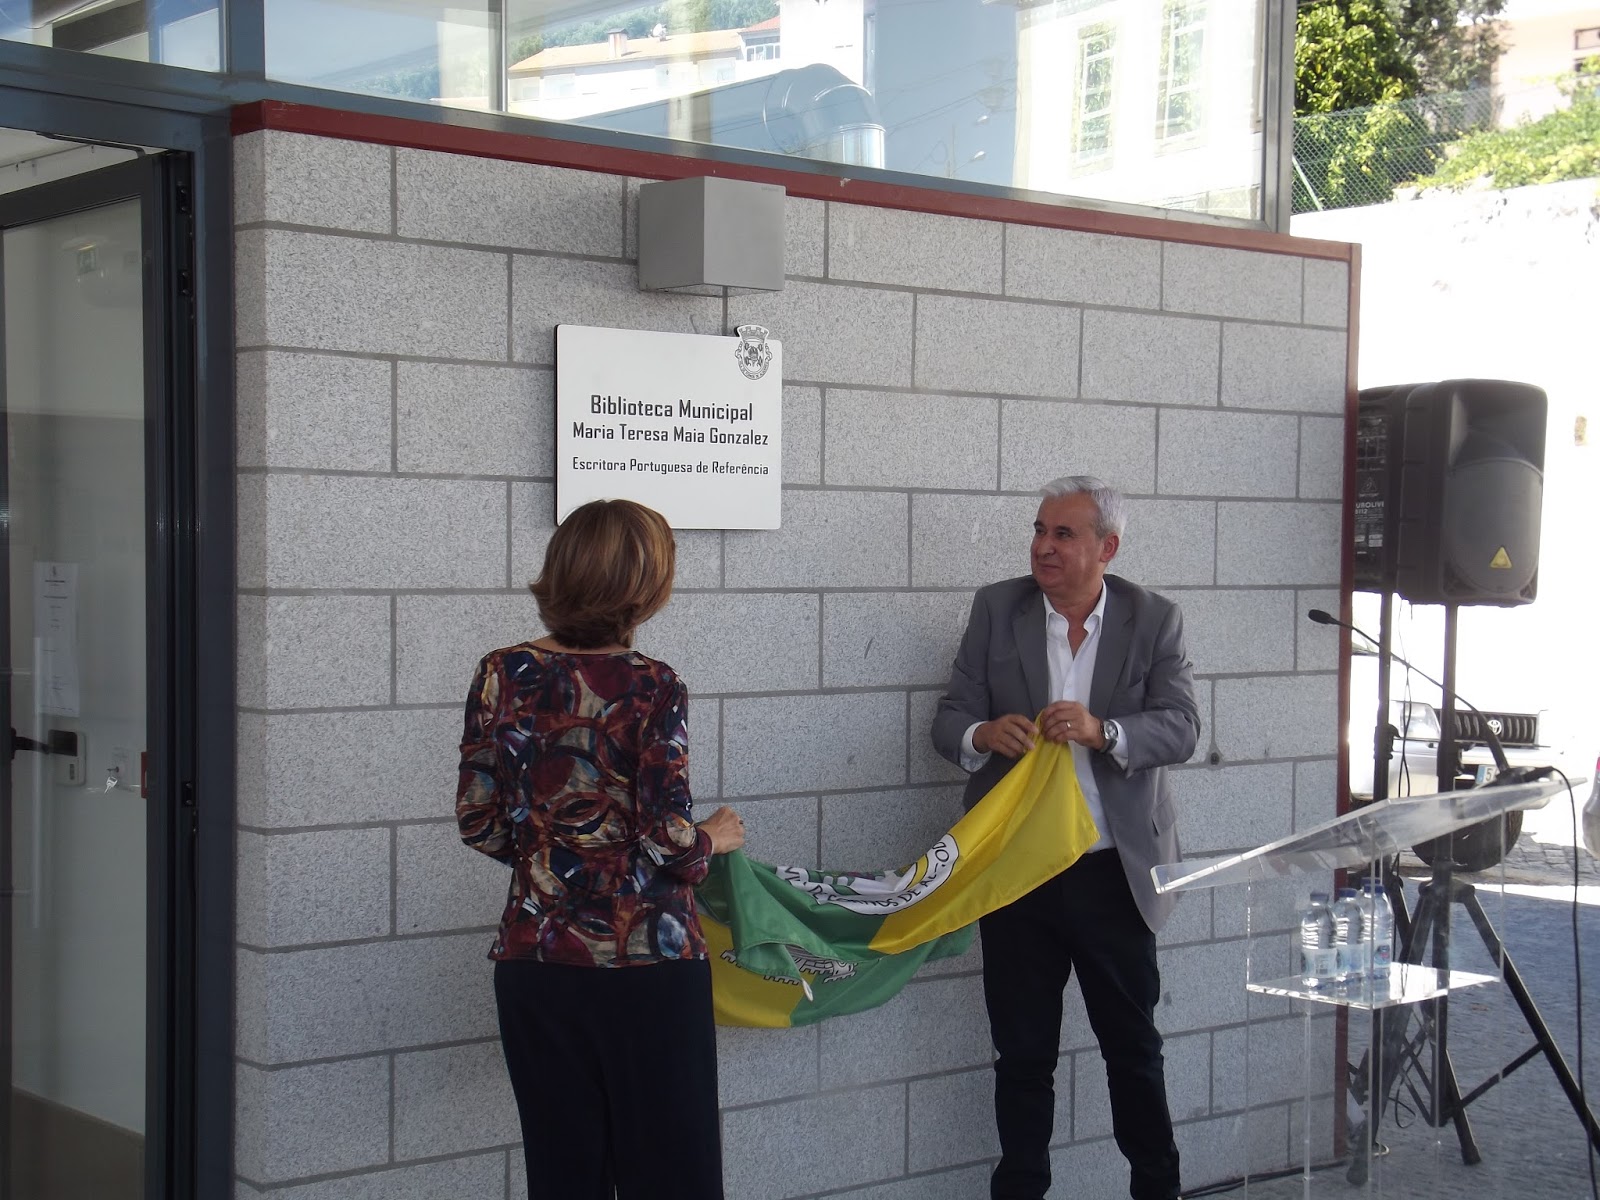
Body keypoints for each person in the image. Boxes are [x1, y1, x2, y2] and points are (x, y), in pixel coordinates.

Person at [456, 497, 745, 1200]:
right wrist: (714, 838)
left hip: (535, 959)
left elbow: (479, 822)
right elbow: (668, 842)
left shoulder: (500, 672)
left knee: (564, 1178)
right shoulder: (653, 685)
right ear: (644, 585)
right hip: (647, 968)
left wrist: (558, 862)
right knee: (673, 1179)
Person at [932, 475, 1200, 1200]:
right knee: (1022, 1056)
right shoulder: (998, 608)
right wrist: (982, 733)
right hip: (1018, 871)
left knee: (1133, 1051)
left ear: (1107, 548)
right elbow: (949, 718)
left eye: (1063, 534)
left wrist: (1105, 730)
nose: (1043, 547)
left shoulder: (1154, 619)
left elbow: (1182, 727)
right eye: (1039, 530)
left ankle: (1158, 1189)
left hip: (1115, 874)